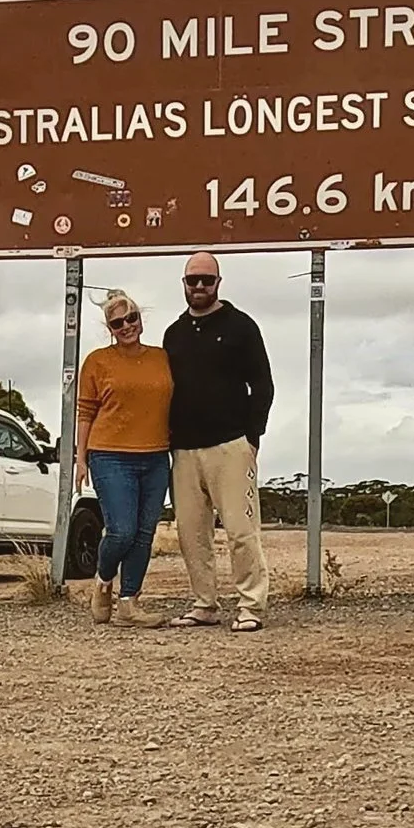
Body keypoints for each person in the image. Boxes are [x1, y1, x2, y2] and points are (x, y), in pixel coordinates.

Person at [163, 252, 275, 631]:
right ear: (183, 284)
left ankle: (251, 606)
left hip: (231, 445)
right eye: (192, 280)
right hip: (184, 449)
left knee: (241, 532)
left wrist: (253, 437)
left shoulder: (241, 327)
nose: (198, 287)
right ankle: (204, 604)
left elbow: (262, 384)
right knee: (192, 534)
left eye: (206, 280)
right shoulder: (173, 334)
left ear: (218, 283)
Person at [72, 289, 171, 627]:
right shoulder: (98, 361)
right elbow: (85, 411)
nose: (126, 326)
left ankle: (129, 603)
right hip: (110, 456)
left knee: (144, 534)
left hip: (156, 456)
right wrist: (81, 458)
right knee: (121, 531)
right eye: (118, 323)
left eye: (132, 318)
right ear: (110, 328)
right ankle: (102, 581)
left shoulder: (162, 357)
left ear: (140, 319)